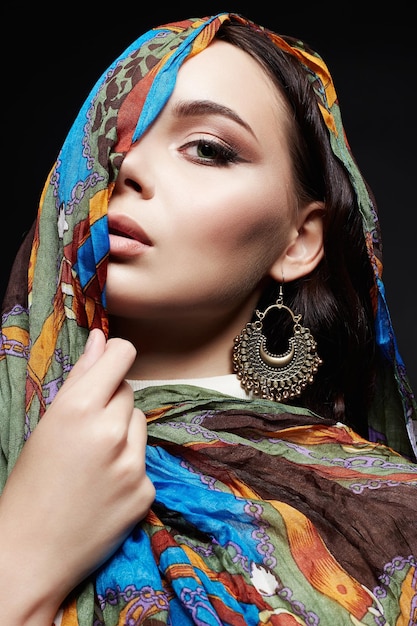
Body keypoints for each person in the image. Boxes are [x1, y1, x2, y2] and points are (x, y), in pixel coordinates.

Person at [0, 11, 416, 626]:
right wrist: (25, 554)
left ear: (297, 242)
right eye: (112, 140)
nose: (131, 170)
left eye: (208, 150)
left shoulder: (390, 523)